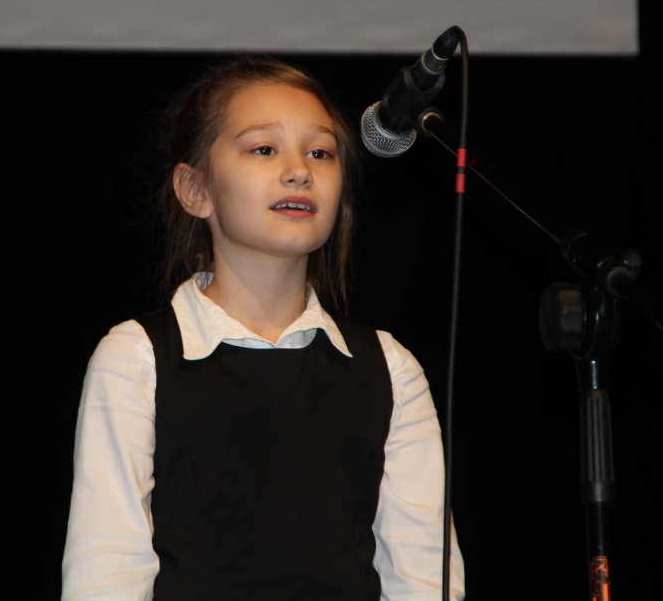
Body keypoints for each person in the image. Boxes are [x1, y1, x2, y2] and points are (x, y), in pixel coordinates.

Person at [61, 53, 465, 600]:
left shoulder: (387, 367)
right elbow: (106, 572)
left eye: (320, 152)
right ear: (195, 190)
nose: (300, 170)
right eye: (264, 149)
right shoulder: (138, 358)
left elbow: (423, 578)